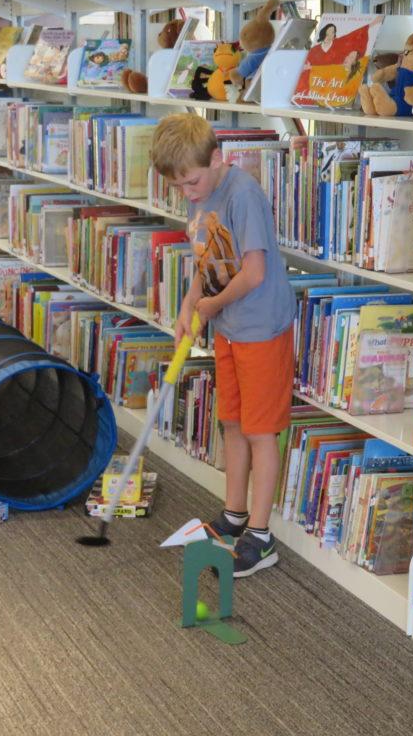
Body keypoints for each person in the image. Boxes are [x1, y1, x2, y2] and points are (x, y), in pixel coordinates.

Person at [150, 113, 296, 578]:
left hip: (260, 328)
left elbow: (253, 272)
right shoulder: (201, 194)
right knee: (231, 421)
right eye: (180, 188)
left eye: (192, 182)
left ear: (217, 159)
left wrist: (210, 307)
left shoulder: (244, 194)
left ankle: (260, 535)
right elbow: (206, 260)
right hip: (229, 326)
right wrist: (190, 305)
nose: (189, 194)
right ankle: (234, 515)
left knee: (260, 430)